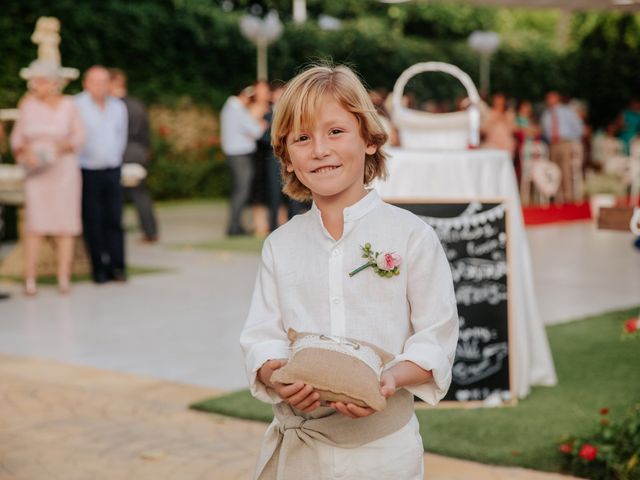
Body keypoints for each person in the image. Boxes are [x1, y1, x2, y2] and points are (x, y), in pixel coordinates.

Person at [239, 64, 459, 479]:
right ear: (287, 155)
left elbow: (436, 335)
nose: (320, 149)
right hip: (301, 455)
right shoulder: (280, 245)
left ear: (369, 140)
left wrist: (389, 380)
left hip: (385, 453)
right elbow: (262, 335)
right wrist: (276, 374)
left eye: (335, 132)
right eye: (302, 138)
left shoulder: (412, 236)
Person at [10, 60, 85, 295]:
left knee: (65, 224)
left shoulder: (69, 104)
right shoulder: (28, 105)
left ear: (54, 83)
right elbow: (17, 138)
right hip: (37, 172)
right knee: (35, 225)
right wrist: (25, 152)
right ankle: (29, 277)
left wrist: (65, 145)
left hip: (63, 170)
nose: (36, 85)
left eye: (41, 80)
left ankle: (64, 277)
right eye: (35, 81)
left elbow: (80, 135)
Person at [75, 66, 128, 283]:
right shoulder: (76, 105)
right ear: (86, 84)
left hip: (112, 169)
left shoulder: (118, 107)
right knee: (92, 220)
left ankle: (118, 266)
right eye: (96, 82)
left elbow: (121, 137)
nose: (100, 87)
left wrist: (115, 160)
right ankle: (98, 268)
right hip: (87, 170)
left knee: (114, 219)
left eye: (104, 82)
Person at [108, 68, 158, 243]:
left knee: (116, 194)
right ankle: (150, 231)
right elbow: (146, 132)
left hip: (120, 152)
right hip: (138, 151)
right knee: (140, 194)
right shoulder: (137, 104)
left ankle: (114, 231)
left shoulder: (113, 106)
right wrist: (145, 150)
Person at [220, 85, 267, 236]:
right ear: (243, 95)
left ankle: (236, 225)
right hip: (239, 155)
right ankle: (234, 227)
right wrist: (262, 123)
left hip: (236, 155)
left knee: (240, 190)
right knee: (241, 191)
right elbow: (256, 131)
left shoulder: (231, 108)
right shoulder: (236, 109)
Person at [540, 91, 584, 203]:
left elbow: (578, 128)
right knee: (554, 171)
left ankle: (567, 196)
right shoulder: (546, 114)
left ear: (557, 99)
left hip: (565, 143)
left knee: (565, 170)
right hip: (552, 145)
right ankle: (556, 196)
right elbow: (545, 132)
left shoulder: (567, 111)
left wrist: (569, 138)